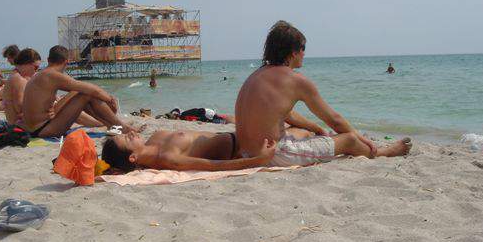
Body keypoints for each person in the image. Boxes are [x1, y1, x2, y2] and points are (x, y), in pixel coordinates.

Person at [235, 21, 412, 167]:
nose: (304, 53)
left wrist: (317, 129)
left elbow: (286, 114)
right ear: (293, 52)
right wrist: (363, 140)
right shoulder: (295, 80)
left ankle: (321, 139)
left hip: (246, 151)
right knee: (349, 139)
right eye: (303, 48)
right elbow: (334, 120)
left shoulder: (256, 75)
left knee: (303, 132)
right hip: (272, 155)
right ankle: (382, 152)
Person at [22, 45, 136, 138]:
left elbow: (79, 87)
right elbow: (92, 90)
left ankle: (111, 125)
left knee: (80, 92)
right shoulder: (52, 75)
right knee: (86, 94)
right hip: (43, 129)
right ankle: (121, 126)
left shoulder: (43, 74)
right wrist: (110, 99)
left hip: (37, 128)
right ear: (66, 62)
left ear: (48, 60)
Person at [102, 129, 274, 172]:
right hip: (242, 147)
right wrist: (258, 160)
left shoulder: (154, 138)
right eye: (128, 139)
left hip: (240, 134)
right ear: (133, 157)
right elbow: (214, 165)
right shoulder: (168, 158)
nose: (131, 133)